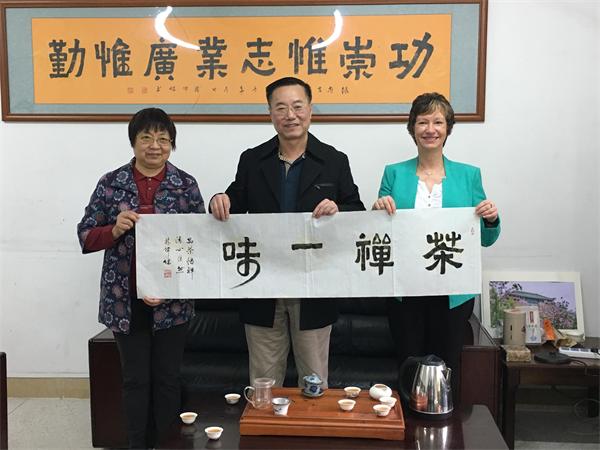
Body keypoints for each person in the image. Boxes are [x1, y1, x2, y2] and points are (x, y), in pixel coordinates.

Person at [210, 76, 365, 389]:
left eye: (297, 106)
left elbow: (357, 211)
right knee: (263, 380)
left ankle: (313, 424)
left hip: (314, 285)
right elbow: (233, 202)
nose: (290, 115)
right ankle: (264, 423)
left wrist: (338, 209)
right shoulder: (252, 160)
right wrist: (218, 200)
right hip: (262, 282)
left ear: (310, 110)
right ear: (270, 113)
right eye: (281, 108)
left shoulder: (334, 160)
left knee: (314, 379)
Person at [77, 108, 205, 448]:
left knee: (167, 380)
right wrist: (113, 229)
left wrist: (167, 287)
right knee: (135, 380)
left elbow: (198, 242)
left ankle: (168, 444)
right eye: (146, 137)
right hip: (124, 301)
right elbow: (85, 236)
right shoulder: (110, 184)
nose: (154, 146)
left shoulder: (186, 185)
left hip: (173, 303)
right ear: (133, 142)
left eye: (163, 139)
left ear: (172, 144)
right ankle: (136, 444)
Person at [372, 92, 500, 397]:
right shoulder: (394, 173)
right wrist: (376, 210)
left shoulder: (469, 176)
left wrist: (491, 218)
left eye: (438, 122)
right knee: (408, 362)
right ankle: (407, 419)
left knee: (446, 364)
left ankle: (443, 420)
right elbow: (380, 233)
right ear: (412, 128)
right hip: (405, 288)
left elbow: (485, 238)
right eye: (423, 122)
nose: (430, 129)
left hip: (452, 291)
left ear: (448, 128)